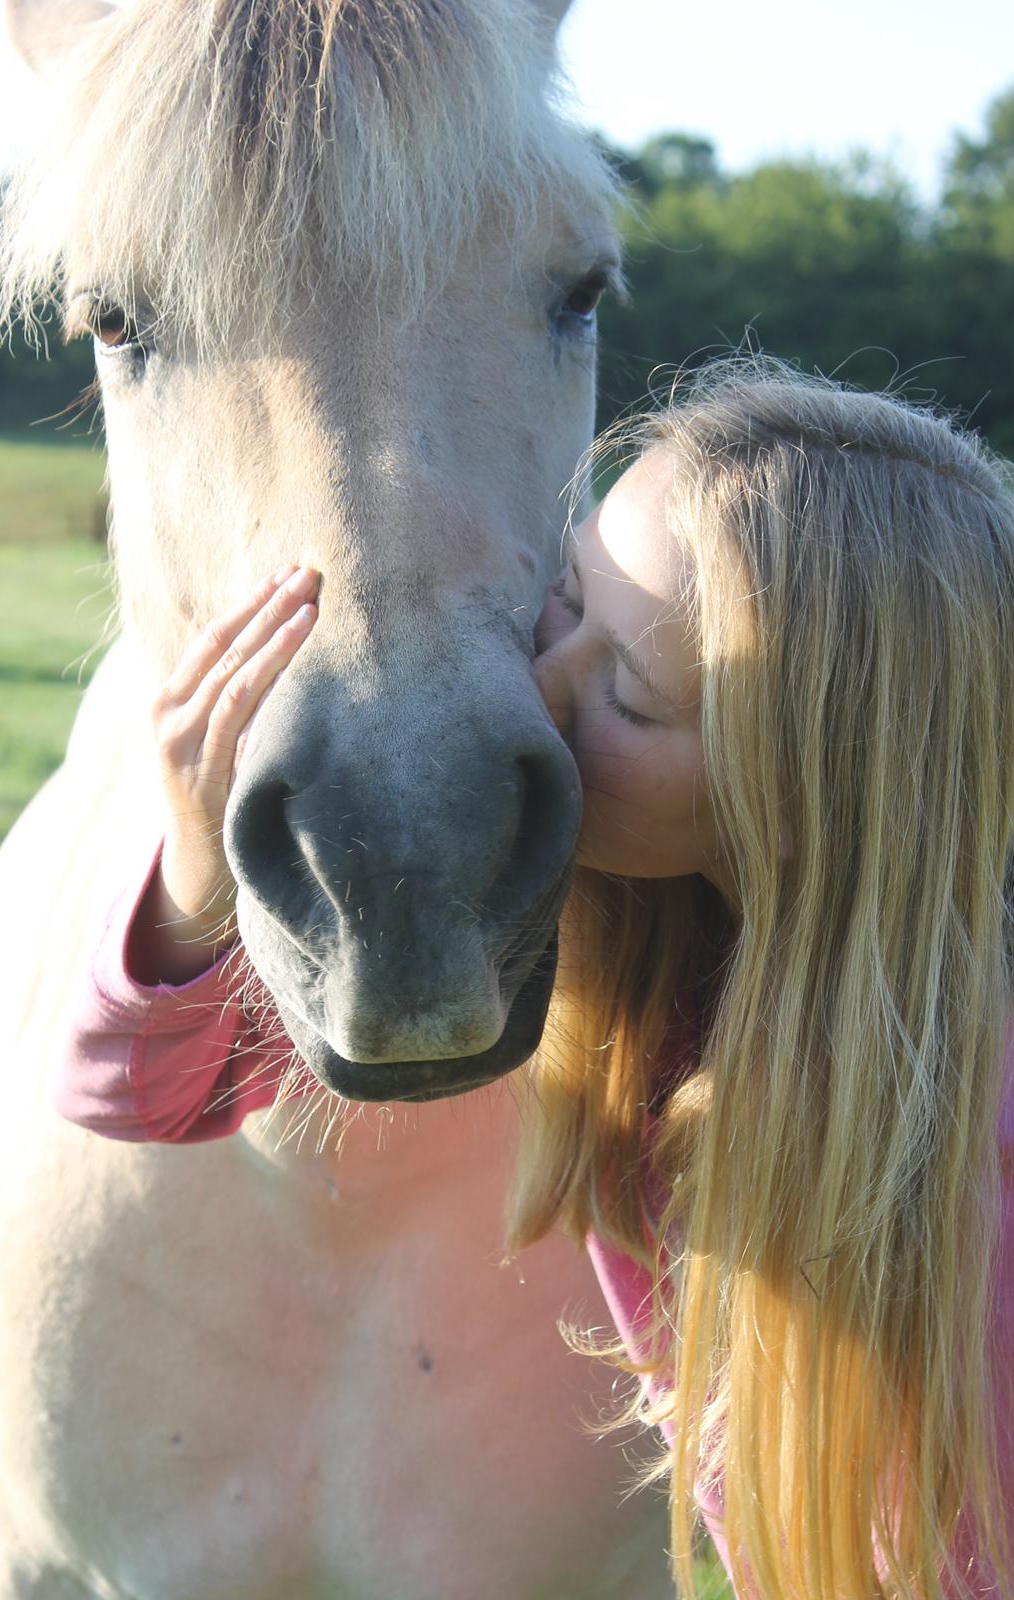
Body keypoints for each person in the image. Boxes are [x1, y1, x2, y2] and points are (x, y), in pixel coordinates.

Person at [54, 356, 1014, 1599]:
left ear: (795, 802)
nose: (539, 687)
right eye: (567, 605)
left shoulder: (973, 1153)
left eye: (627, 690)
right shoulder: (611, 920)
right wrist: (196, 868)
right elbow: (140, 1096)